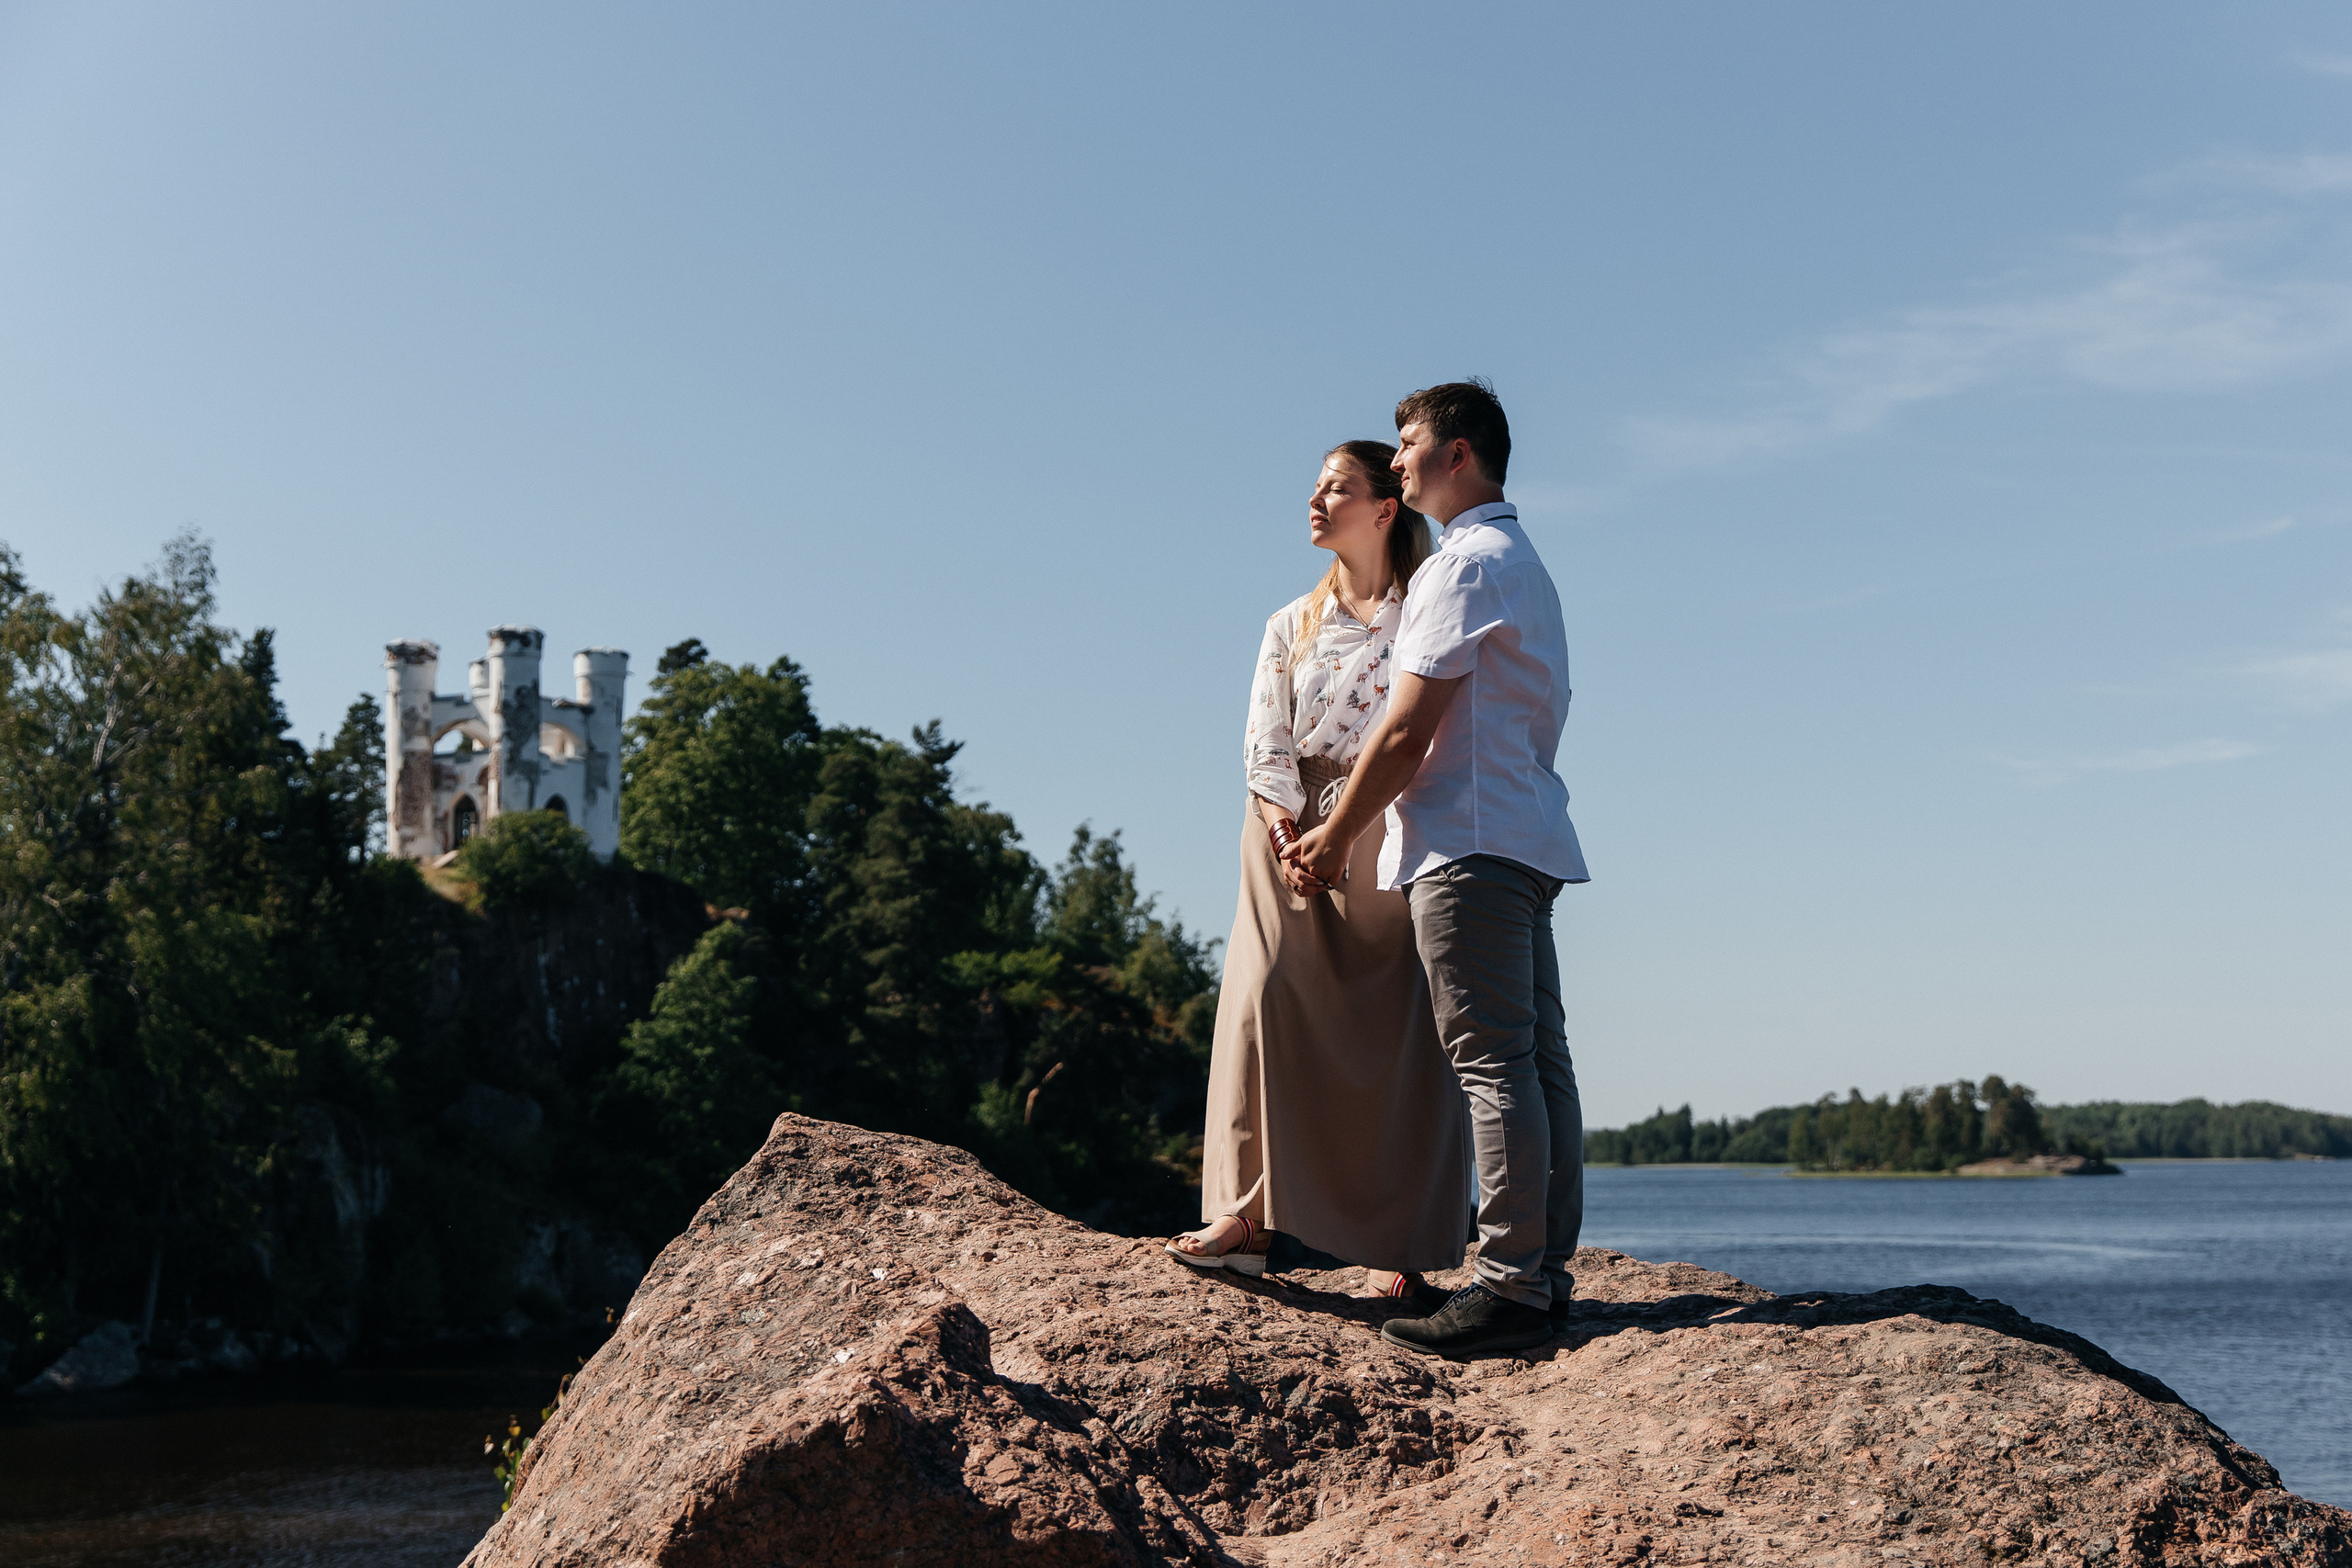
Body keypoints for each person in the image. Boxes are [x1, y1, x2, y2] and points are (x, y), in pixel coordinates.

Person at [1285, 380, 1589, 1358]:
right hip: (1522, 834)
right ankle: (1542, 1273)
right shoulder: (1523, 563)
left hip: (1468, 844)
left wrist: (1335, 835)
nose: (1397, 457)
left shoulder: (1461, 567)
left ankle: (1509, 1284)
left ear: (1458, 454)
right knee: (1537, 1060)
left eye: (1410, 441)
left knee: (1493, 1062)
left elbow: (1407, 727)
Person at [1166, 440, 1472, 1297]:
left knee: (1400, 1031)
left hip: (1389, 825)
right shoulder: (1289, 622)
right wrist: (1283, 828)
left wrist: (1346, 826)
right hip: (1282, 829)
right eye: (1315, 486)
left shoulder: (1427, 609)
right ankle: (1244, 1218)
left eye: (1334, 487)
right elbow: (1263, 741)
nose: (1314, 499)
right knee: (1259, 998)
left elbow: (1427, 733)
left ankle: (1400, 1248)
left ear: (1384, 507)